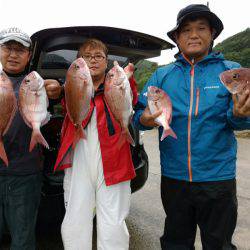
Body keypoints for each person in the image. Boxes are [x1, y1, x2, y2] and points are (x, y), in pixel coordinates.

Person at [133, 4, 250, 250]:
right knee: (176, 243)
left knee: (218, 244)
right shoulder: (162, 76)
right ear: (177, 38)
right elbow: (138, 115)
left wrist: (241, 115)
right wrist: (144, 120)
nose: (193, 35)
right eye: (185, 30)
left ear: (213, 34)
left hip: (218, 179)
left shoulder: (231, 72)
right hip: (174, 178)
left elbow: (237, 120)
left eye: (201, 28)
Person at [53, 38, 137, 250]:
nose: (93, 60)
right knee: (75, 217)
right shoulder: (72, 84)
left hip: (114, 160)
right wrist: (54, 88)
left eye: (98, 56)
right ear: (79, 61)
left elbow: (132, 99)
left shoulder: (117, 83)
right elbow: (59, 96)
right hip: (78, 157)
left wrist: (127, 80)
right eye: (87, 56)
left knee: (113, 222)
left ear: (107, 61)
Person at [0, 27, 62, 250]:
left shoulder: (37, 84)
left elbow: (55, 96)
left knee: (23, 237)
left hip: (25, 175)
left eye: (20, 50)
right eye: (8, 48)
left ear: (29, 55)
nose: (13, 54)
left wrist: (59, 91)